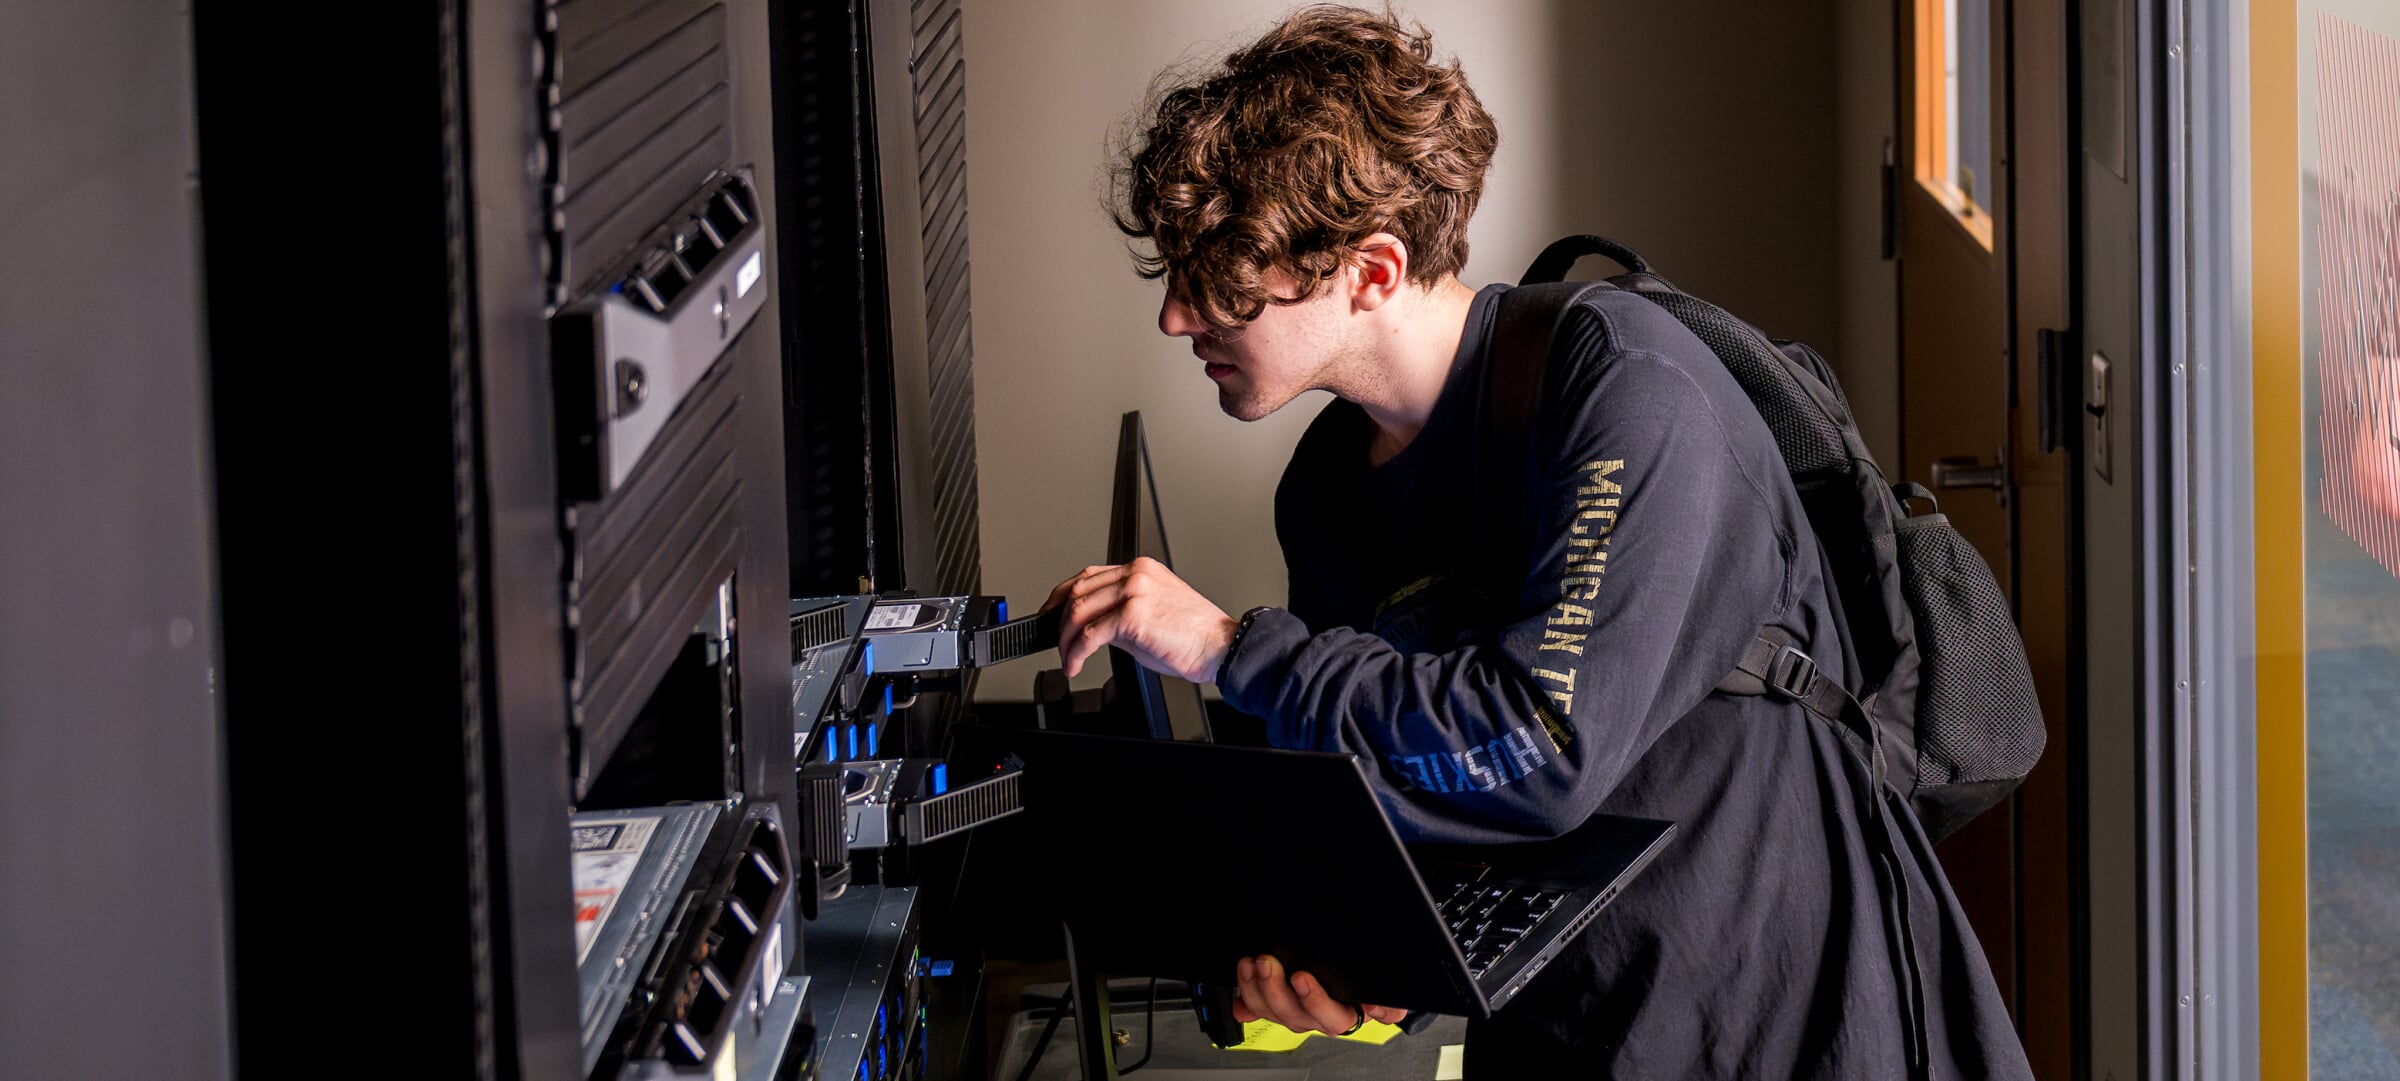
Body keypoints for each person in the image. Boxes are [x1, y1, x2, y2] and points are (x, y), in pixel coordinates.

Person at [1044, 6, 2034, 1077]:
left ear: (1372, 272)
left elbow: (1539, 744)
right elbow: (1394, 785)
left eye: (1220, 282)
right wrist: (1364, 961)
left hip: (1774, 1014)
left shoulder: (1624, 389)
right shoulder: (1325, 492)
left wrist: (1234, 650)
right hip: (1556, 1022)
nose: (1177, 321)